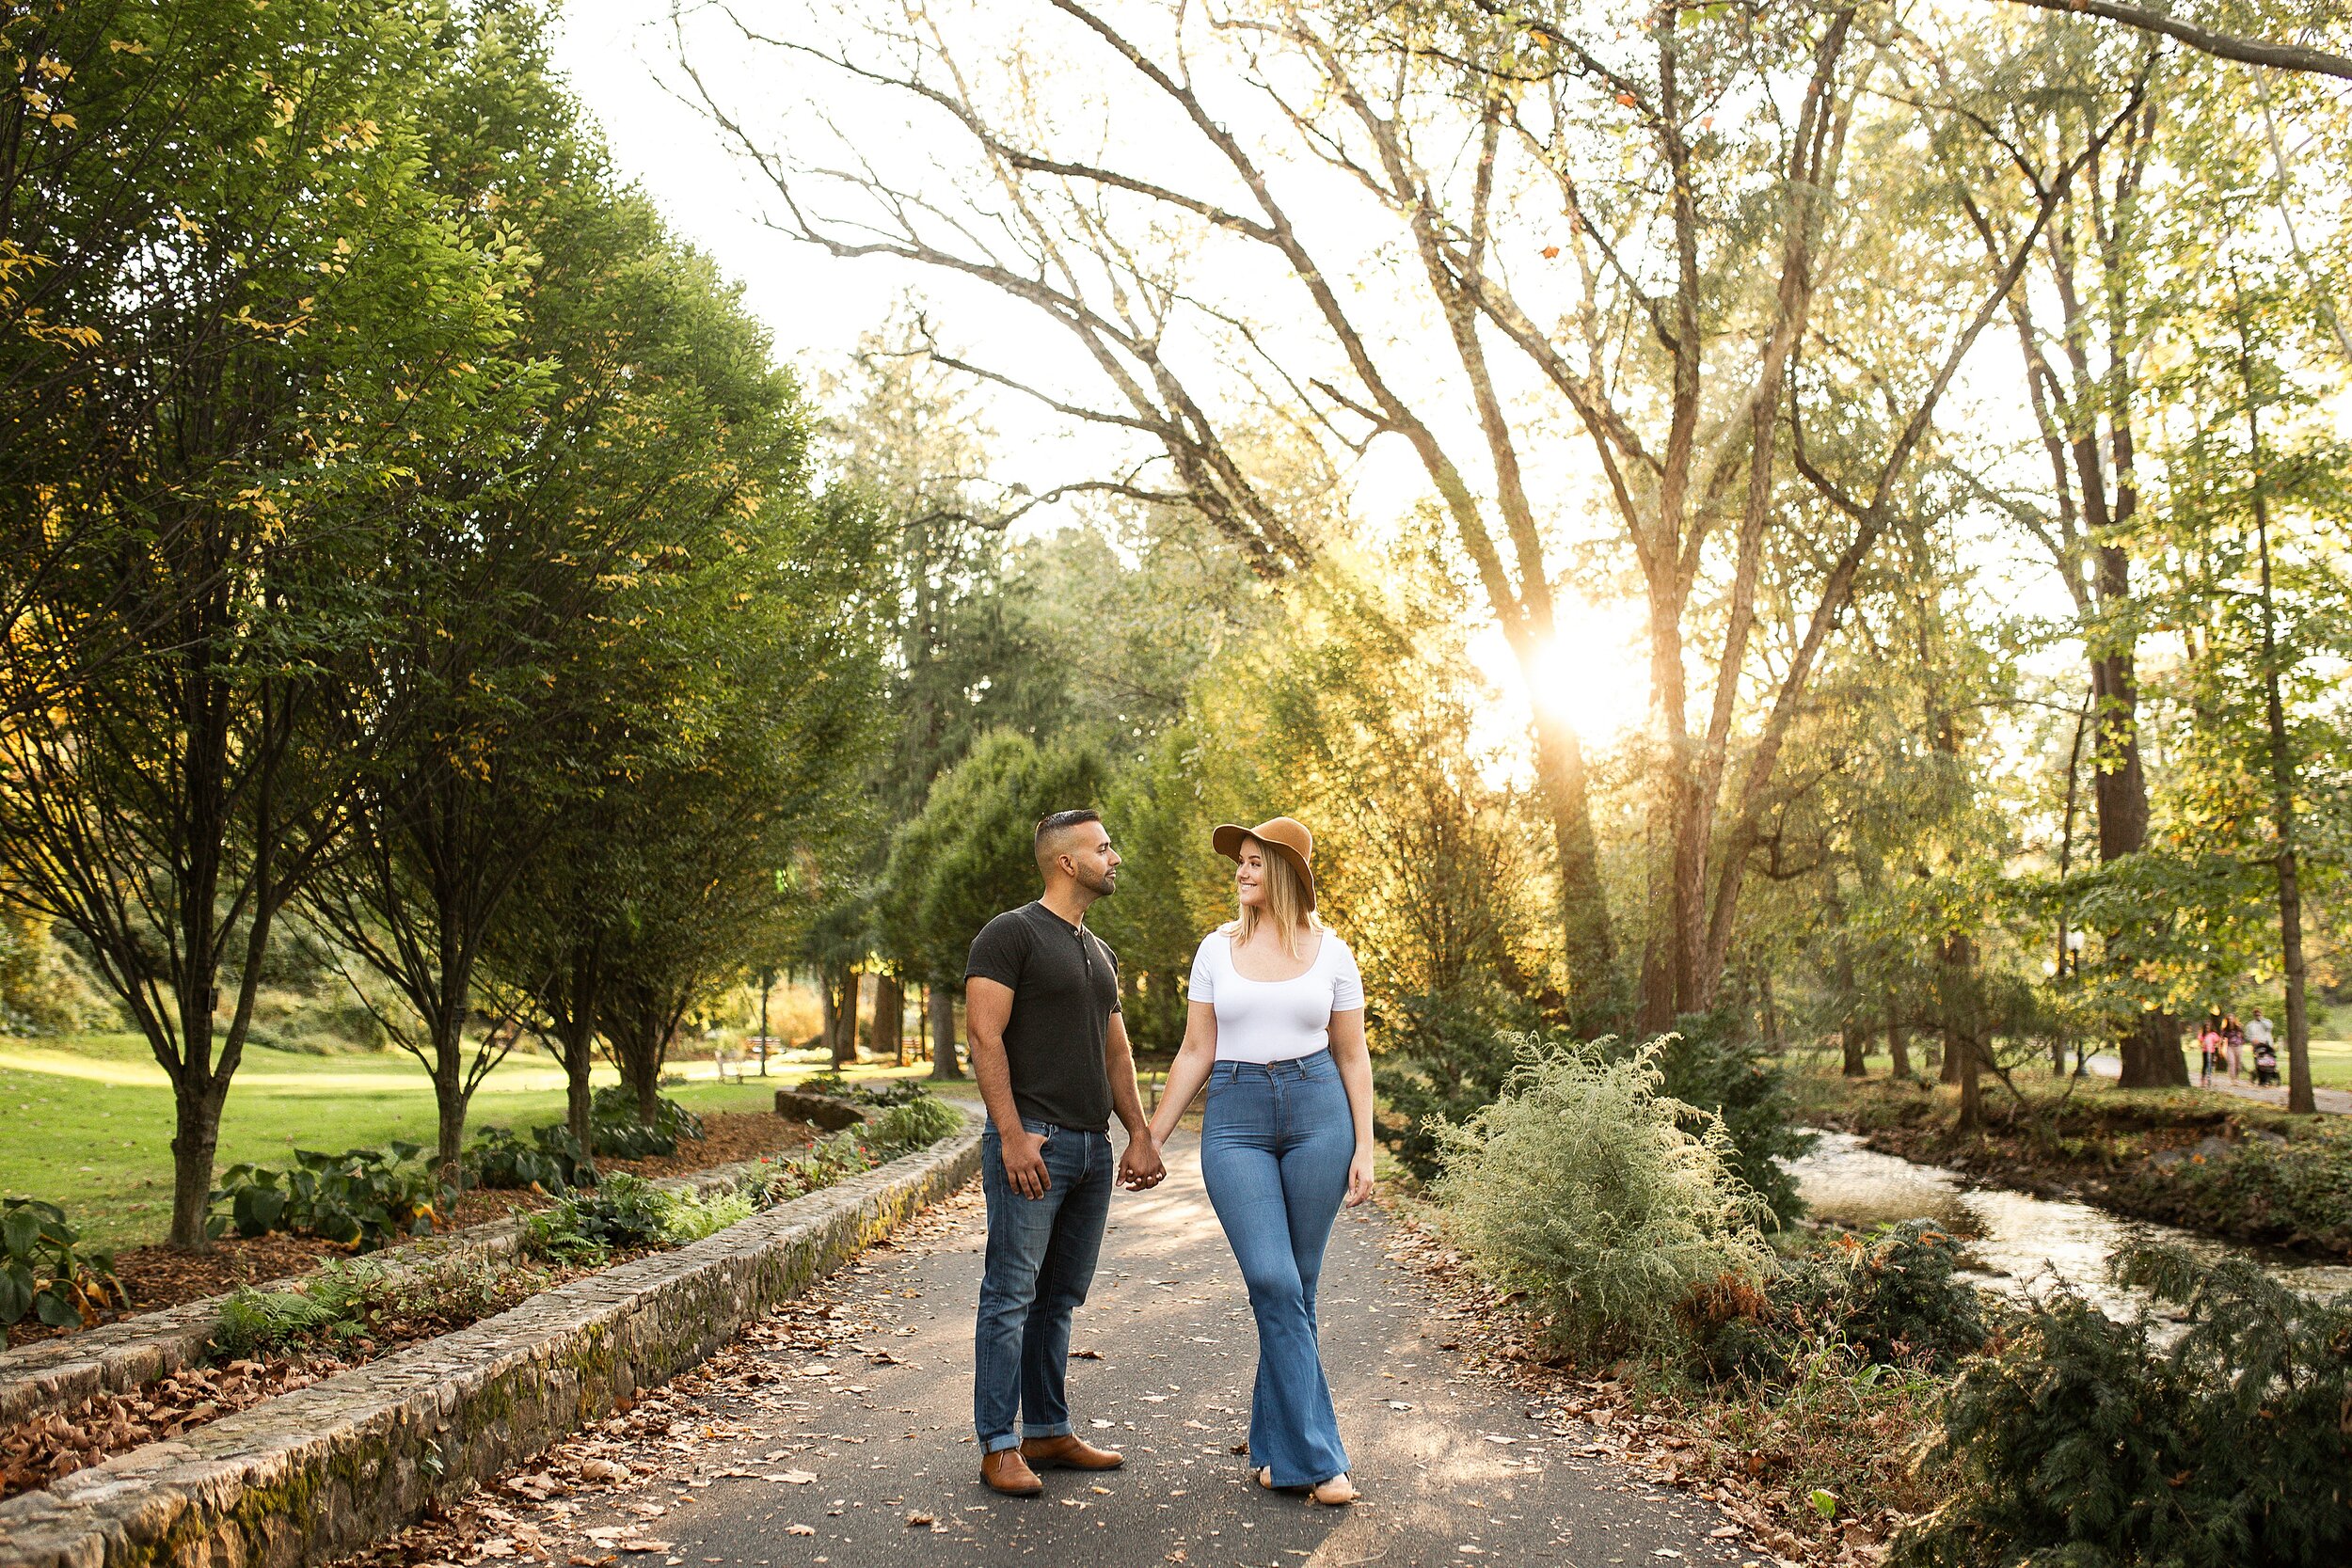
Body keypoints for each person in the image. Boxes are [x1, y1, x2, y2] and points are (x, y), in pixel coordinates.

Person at [1145, 816, 1375, 1508]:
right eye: (1239, 863)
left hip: (1318, 1113)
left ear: (1283, 873)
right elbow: (1195, 1050)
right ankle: (1323, 1458)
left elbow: (1353, 1053)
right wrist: (1150, 1136)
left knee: (1297, 1288)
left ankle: (1276, 1449)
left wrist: (1364, 1144)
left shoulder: (1333, 952)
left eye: (1251, 863)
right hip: (1237, 1118)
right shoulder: (1215, 948)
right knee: (1273, 1279)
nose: (1240, 873)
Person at [963, 809, 1166, 1497]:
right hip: (1036, 1143)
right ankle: (998, 1443)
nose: (1116, 857)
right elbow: (984, 1037)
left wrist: (1138, 1130)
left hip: (1091, 1149)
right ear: (1065, 862)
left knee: (1059, 1298)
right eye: (1103, 848)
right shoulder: (1010, 934)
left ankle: (1047, 1429)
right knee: (1011, 1294)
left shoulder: (1099, 952)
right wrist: (1013, 1134)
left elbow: (1117, 1049)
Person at [2247, 1009, 2280, 1087]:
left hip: (2268, 1045)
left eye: (2259, 1014)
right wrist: (2252, 1040)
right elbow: (2248, 1035)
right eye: (2256, 1015)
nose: (2257, 1016)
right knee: (2259, 1062)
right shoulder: (2250, 1025)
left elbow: (2269, 1028)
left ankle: (2269, 1079)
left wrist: (2261, 1020)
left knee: (2270, 1062)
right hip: (2258, 1046)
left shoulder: (2267, 1022)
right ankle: (2261, 1079)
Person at [2199, 1016, 2224, 1088]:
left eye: (2209, 1026)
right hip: (2205, 1051)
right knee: (2205, 1065)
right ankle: (2203, 1080)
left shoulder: (2213, 1034)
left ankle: (2209, 1079)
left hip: (2212, 1051)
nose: (2207, 1028)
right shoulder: (2202, 1035)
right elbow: (2201, 1043)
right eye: (2206, 1026)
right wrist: (2203, 1044)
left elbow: (2218, 1040)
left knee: (2211, 1065)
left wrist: (2216, 1044)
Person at [2222, 1014, 2246, 1084]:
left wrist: (2242, 1043)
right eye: (2229, 1019)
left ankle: (2237, 1077)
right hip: (2230, 1047)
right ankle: (2233, 1079)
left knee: (2238, 1064)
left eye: (2231, 1019)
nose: (2230, 1020)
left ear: (2234, 1019)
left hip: (2238, 1047)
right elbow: (2222, 1038)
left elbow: (2243, 1036)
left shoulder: (2239, 1028)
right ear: (2227, 1020)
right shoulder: (2225, 1029)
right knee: (2231, 1063)